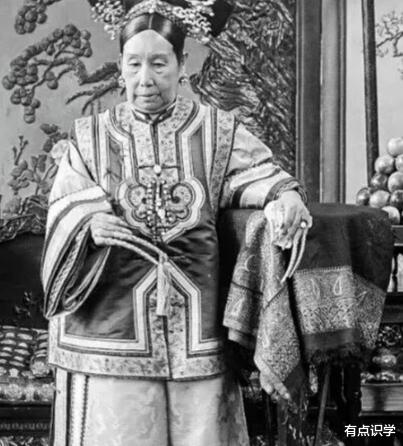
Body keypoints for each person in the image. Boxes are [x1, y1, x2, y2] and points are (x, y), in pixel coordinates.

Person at [41, 0, 312, 444]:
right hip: (111, 323)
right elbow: (65, 203)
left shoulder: (217, 131)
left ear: (182, 64)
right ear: (121, 67)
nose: (145, 79)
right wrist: (89, 223)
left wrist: (287, 196)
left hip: (195, 322)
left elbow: (260, 177)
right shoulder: (90, 137)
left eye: (159, 63)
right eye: (134, 64)